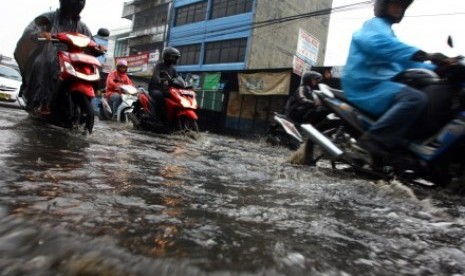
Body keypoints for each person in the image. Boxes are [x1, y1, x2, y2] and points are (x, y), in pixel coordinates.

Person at [341, 0, 446, 158]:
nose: (399, 8)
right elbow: (380, 44)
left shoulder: (389, 32)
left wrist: (440, 68)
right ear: (383, 5)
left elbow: (407, 62)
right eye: (395, 4)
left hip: (381, 83)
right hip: (367, 85)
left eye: (402, 6)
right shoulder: (374, 25)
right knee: (414, 98)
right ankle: (372, 140)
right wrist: (425, 54)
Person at [14, 0, 93, 115]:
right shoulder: (48, 17)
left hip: (72, 59)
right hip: (49, 52)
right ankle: (42, 101)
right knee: (45, 62)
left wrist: (97, 46)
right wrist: (39, 34)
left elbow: (89, 41)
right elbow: (30, 30)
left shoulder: (82, 26)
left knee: (87, 69)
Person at [147, 46, 181, 127]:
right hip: (155, 89)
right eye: (172, 56)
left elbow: (178, 78)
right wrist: (159, 79)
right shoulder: (159, 65)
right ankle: (156, 119)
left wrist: (183, 84)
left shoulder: (173, 69)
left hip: (166, 90)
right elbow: (155, 75)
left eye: (175, 57)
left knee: (177, 98)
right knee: (159, 96)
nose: (173, 59)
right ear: (166, 56)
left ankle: (171, 119)